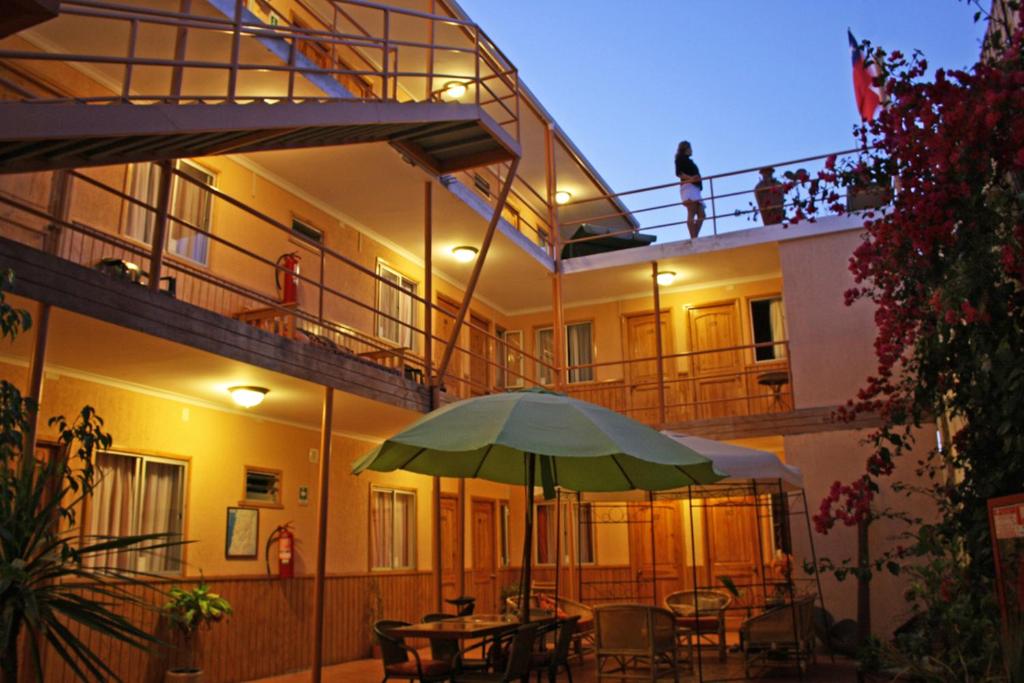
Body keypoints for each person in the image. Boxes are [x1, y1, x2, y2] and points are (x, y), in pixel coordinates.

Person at [675, 140, 705, 239]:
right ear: (685, 149)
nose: (691, 150)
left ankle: (694, 236)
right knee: (692, 211)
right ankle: (693, 237)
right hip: (688, 186)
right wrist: (691, 179)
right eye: (690, 148)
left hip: (695, 188)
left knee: (702, 213)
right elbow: (679, 173)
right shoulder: (680, 159)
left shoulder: (689, 161)